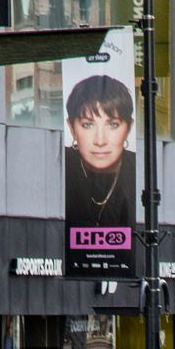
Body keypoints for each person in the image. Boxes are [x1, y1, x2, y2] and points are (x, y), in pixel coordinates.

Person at [62, 72, 137, 232]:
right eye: (88, 125)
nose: (100, 141)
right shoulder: (60, 164)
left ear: (129, 127)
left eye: (113, 125)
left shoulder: (138, 169)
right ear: (71, 127)